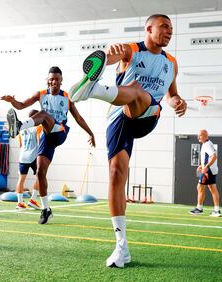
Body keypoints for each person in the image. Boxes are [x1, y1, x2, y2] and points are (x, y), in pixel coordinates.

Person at [69, 14, 187, 268]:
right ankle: (121, 247)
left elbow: (172, 95)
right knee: (116, 173)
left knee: (137, 90)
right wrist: (106, 54)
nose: (169, 31)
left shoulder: (172, 63)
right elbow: (109, 57)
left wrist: (177, 102)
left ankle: (94, 90)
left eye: (171, 28)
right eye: (164, 27)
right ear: (148, 29)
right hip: (119, 118)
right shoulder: (131, 50)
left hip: (148, 113)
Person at [1, 66, 95, 224]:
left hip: (59, 132)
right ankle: (46, 209)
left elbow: (78, 118)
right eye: (51, 79)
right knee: (40, 172)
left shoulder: (67, 98)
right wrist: (12, 101)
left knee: (43, 115)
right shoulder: (41, 94)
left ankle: (19, 126)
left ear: (61, 81)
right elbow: (22, 105)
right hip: (46, 136)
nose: (54, 82)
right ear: (47, 80)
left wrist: (90, 133)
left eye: (57, 79)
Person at [15, 109, 43, 210]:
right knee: (40, 178)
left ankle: (20, 203)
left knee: (21, 180)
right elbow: (40, 142)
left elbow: (20, 145)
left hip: (23, 156)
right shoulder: (38, 127)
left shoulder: (21, 128)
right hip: (34, 156)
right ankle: (33, 200)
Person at [190, 130, 220, 217]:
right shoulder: (208, 143)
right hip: (211, 170)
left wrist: (206, 166)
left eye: (200, 135)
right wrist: (202, 165)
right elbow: (209, 157)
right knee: (212, 188)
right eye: (198, 135)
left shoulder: (207, 145)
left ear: (206, 136)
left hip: (208, 171)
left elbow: (214, 156)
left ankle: (199, 209)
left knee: (200, 187)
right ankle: (216, 210)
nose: (198, 137)